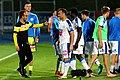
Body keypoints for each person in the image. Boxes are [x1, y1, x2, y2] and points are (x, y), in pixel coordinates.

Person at [13, 10, 48, 78]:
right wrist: (16, 45)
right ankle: (22, 73)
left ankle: (20, 68)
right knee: (22, 59)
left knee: (30, 57)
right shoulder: (18, 25)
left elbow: (34, 25)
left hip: (26, 44)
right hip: (21, 45)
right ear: (22, 16)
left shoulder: (27, 23)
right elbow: (14, 36)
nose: (27, 16)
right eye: (25, 15)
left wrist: (43, 24)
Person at [88, 6, 116, 77]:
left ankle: (87, 72)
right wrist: (101, 41)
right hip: (101, 40)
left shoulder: (98, 18)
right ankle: (108, 73)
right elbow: (99, 30)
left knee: (94, 56)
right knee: (105, 56)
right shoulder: (103, 19)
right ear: (108, 12)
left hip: (96, 39)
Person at [17, 1, 40, 76]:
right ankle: (22, 69)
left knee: (30, 55)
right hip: (23, 38)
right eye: (27, 6)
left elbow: (37, 26)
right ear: (24, 7)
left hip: (31, 38)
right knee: (22, 55)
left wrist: (37, 36)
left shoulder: (34, 16)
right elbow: (18, 26)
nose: (28, 8)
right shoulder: (21, 16)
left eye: (30, 6)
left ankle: (30, 70)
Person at [70, 8, 93, 77]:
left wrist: (77, 42)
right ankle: (89, 70)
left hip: (78, 42)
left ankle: (74, 73)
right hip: (77, 42)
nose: (70, 15)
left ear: (73, 13)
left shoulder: (77, 20)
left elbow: (80, 31)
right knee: (79, 56)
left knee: (73, 55)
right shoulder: (74, 20)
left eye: (71, 13)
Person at [81, 9, 103, 74]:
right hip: (90, 40)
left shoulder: (88, 22)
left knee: (87, 55)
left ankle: (88, 68)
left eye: (82, 15)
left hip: (89, 40)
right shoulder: (90, 21)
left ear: (85, 15)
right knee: (90, 55)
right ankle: (97, 65)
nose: (81, 17)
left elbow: (85, 32)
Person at [57, 8, 74, 79]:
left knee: (66, 58)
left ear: (64, 14)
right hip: (61, 42)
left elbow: (72, 33)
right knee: (64, 58)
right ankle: (65, 72)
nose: (58, 15)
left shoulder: (68, 22)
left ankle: (65, 74)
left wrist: (71, 44)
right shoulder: (60, 22)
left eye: (59, 13)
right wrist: (58, 40)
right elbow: (60, 32)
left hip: (66, 42)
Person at [108, 8, 120, 74]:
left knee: (115, 54)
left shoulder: (110, 20)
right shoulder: (118, 21)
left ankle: (117, 68)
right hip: (116, 39)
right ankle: (112, 69)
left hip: (110, 39)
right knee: (114, 54)